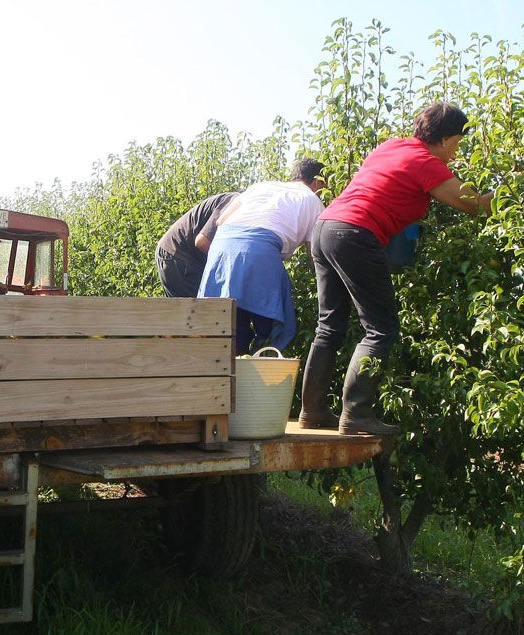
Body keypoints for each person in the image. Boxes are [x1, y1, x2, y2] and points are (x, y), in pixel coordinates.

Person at [298, 102, 493, 436]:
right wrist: (512, 195)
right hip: (356, 233)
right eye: (458, 143)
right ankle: (356, 415)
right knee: (381, 329)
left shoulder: (392, 146)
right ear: (446, 139)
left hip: (325, 227)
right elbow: (471, 203)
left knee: (329, 327)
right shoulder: (426, 162)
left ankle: (311, 411)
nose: (457, 154)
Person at [198, 159, 326, 355]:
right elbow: (315, 255)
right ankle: (259, 370)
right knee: (270, 327)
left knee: (227, 322)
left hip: (221, 249)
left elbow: (222, 220)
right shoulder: (313, 200)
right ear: (318, 182)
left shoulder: (261, 186)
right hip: (259, 251)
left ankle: (229, 374)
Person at [155, 191, 239, 297]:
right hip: (178, 254)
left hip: (182, 255)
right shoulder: (235, 202)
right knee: (199, 310)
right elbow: (202, 242)